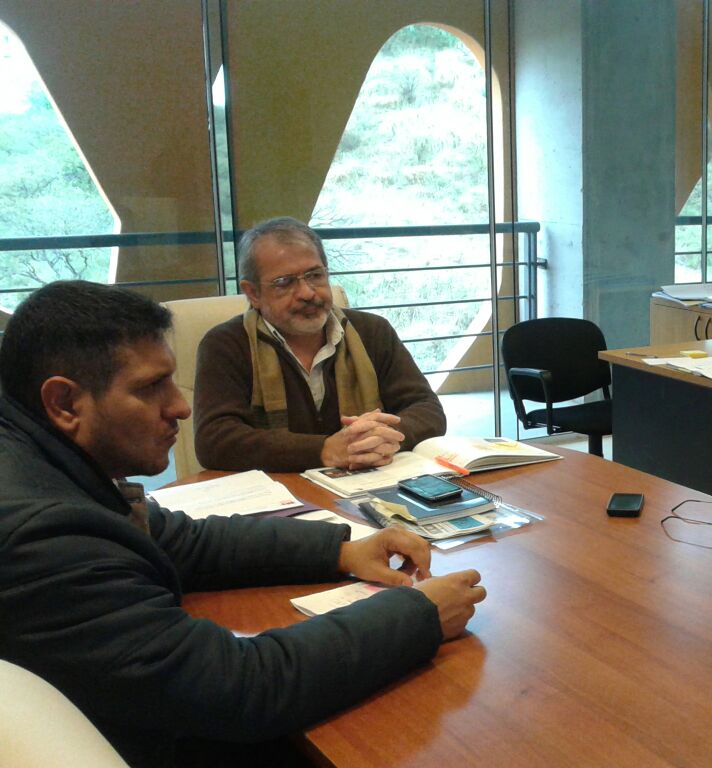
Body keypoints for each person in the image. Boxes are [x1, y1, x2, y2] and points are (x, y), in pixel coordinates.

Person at [0, 281, 486, 766]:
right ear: (64, 404)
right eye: (151, 387)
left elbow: (182, 540)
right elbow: (242, 688)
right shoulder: (47, 538)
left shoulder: (40, 463)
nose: (180, 406)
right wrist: (419, 616)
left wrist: (340, 550)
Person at [195, 216, 446, 472]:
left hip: (369, 487)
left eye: (315, 275)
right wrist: (324, 450)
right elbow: (215, 440)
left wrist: (382, 436)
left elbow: (428, 411)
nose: (307, 293)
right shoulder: (226, 344)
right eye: (285, 282)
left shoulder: (372, 331)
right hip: (279, 498)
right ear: (253, 294)